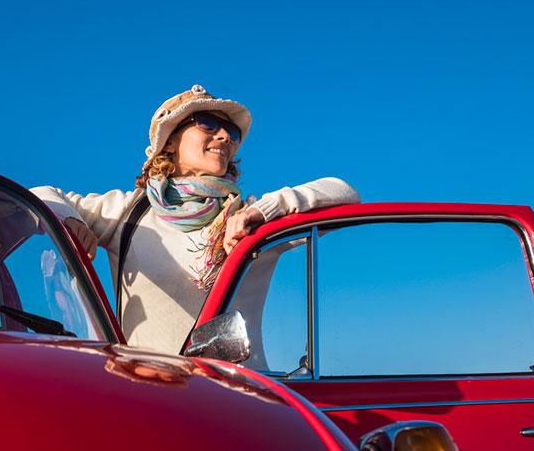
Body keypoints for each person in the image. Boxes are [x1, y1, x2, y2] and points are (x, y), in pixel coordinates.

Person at [32, 84, 359, 354]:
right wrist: (71, 223)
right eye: (207, 124)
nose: (224, 137)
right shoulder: (128, 213)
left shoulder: (251, 217)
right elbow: (41, 194)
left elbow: (344, 192)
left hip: (244, 396)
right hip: (153, 397)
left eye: (230, 131)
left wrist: (262, 212)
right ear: (170, 141)